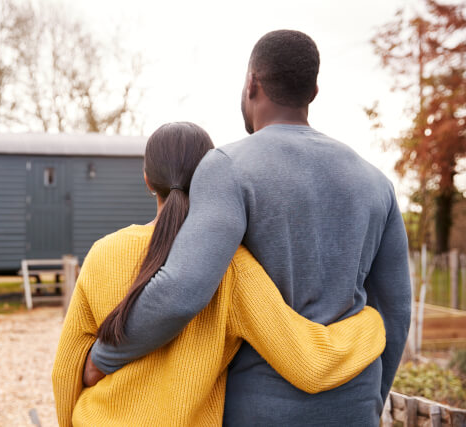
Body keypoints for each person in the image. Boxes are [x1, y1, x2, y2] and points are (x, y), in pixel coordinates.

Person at [86, 30, 411, 426]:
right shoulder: (377, 183)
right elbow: (395, 312)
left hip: (261, 410)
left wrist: (103, 358)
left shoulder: (228, 167)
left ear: (252, 83)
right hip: (354, 405)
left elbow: (181, 290)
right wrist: (370, 401)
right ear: (313, 91)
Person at [52, 122, 387, 427]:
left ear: (147, 180)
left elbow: (66, 369)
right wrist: (371, 322)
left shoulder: (103, 252)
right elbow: (309, 362)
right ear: (208, 180)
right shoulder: (230, 266)